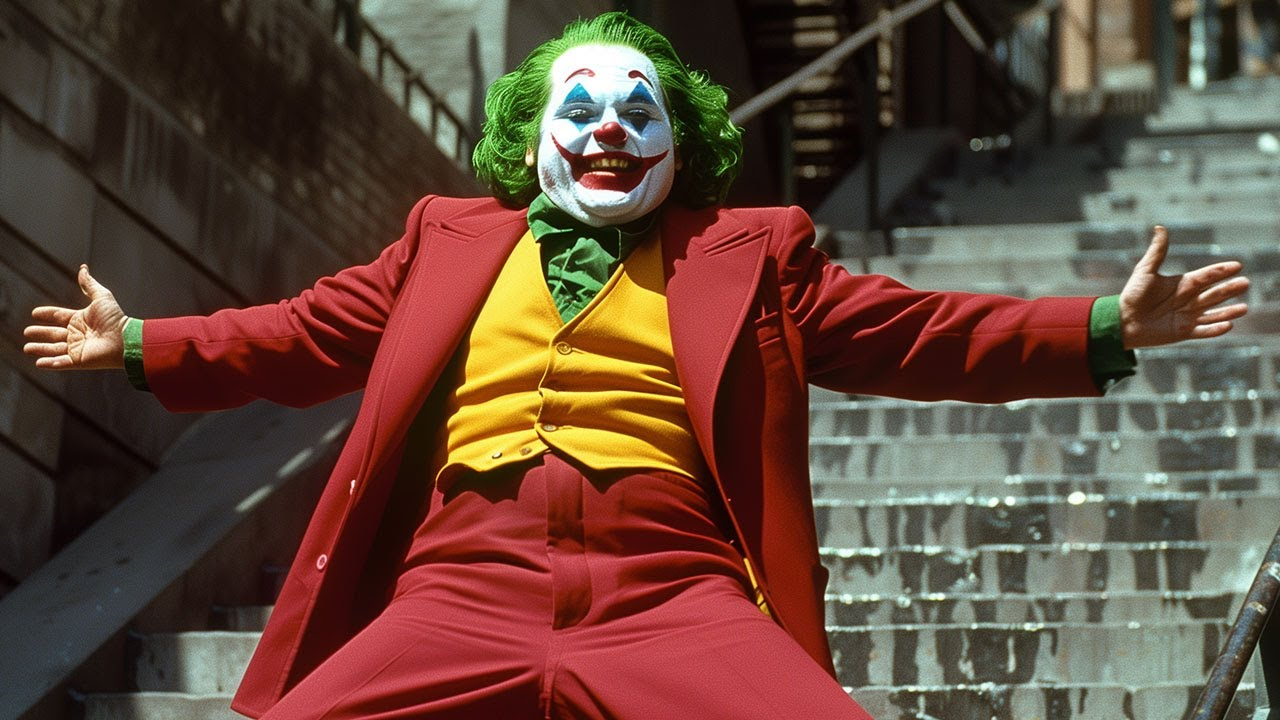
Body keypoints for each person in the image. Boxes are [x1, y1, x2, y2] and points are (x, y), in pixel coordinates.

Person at [23, 12, 1249, 720]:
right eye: (580, 110)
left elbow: (915, 330)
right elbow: (302, 331)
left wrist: (1100, 327)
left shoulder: (750, 252)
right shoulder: (445, 239)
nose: (607, 128)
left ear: (680, 139)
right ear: (530, 140)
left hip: (674, 588)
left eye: (637, 111)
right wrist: (136, 345)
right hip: (459, 585)